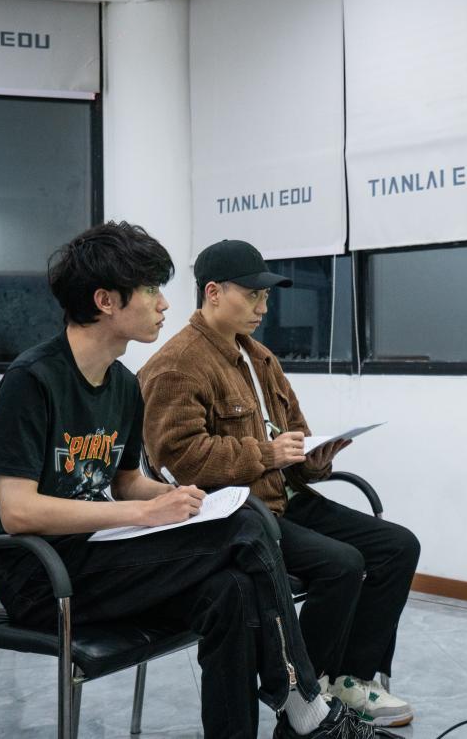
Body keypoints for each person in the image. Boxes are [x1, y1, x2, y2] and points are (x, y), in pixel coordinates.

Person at [0, 222, 388, 739]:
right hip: (43, 576)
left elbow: (124, 482)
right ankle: (304, 705)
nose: (164, 304)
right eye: (150, 290)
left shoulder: (121, 384)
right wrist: (144, 512)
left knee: (230, 588)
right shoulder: (33, 380)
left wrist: (176, 496)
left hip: (96, 551)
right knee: (247, 525)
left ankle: (281, 714)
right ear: (105, 301)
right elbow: (17, 511)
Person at [139, 239, 421, 728]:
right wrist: (266, 454)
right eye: (252, 296)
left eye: (266, 297)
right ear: (213, 292)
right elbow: (179, 462)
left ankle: (347, 679)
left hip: (286, 499)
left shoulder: (260, 358)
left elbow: (293, 436)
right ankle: (306, 699)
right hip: (239, 514)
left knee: (398, 547)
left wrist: (315, 459)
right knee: (342, 564)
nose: (263, 308)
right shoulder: (176, 365)